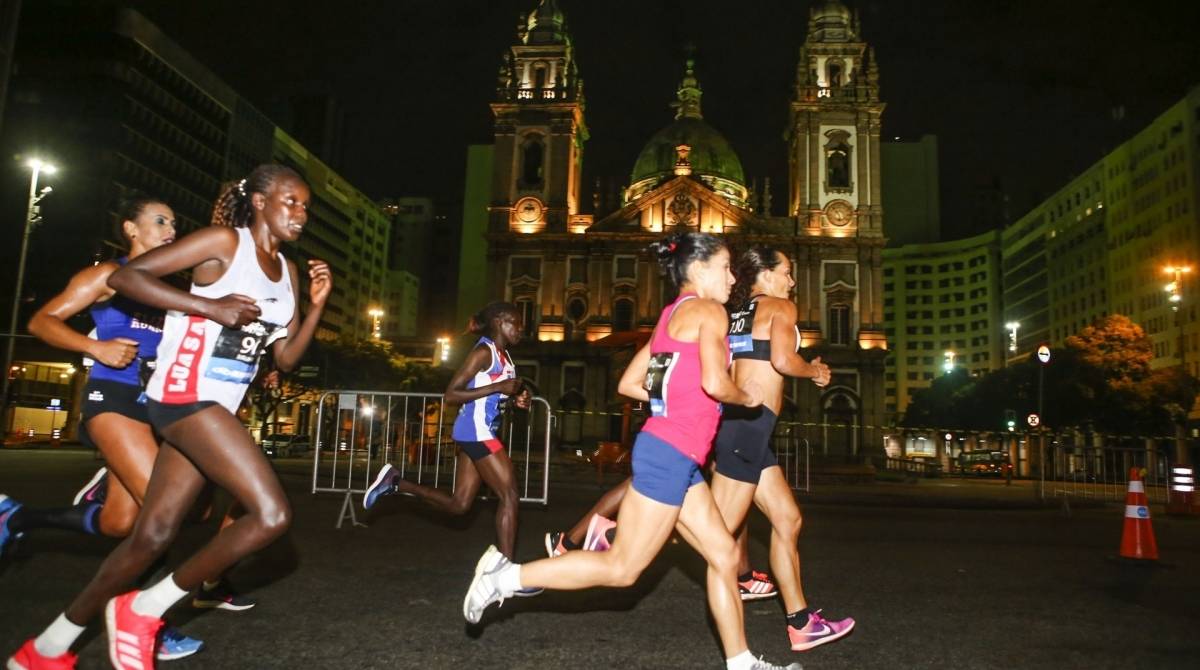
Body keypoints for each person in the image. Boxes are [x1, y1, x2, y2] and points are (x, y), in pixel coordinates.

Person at [6, 164, 330, 670]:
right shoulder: (225, 242)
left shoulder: (287, 272)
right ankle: (145, 609)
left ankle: (43, 649)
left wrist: (314, 309)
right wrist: (212, 308)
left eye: (307, 206)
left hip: (215, 408)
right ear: (262, 201)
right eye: (291, 201)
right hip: (183, 395)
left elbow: (285, 359)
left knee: (149, 537)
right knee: (271, 515)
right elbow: (125, 277)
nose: (301, 214)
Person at [462, 232, 800, 670]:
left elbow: (629, 383)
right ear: (698, 270)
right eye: (724, 267)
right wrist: (747, 397)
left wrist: (678, 404)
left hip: (674, 452)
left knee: (722, 555)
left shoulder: (671, 315)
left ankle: (742, 663)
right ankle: (505, 578)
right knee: (622, 569)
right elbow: (716, 384)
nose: (732, 277)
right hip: (672, 453)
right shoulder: (709, 312)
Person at [0, 194, 211, 661]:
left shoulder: (171, 286)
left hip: (153, 408)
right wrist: (94, 348)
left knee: (121, 522)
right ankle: (149, 619)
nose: (169, 229)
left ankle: (17, 517)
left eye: (173, 223)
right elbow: (42, 321)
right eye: (158, 221)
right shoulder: (106, 275)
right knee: (165, 510)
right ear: (131, 230)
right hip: (111, 399)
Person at [710, 245, 853, 651]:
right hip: (748, 430)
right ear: (766, 275)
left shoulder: (734, 314)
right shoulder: (780, 308)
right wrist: (816, 371)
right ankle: (619, 537)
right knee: (715, 537)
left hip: (742, 427)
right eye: (787, 273)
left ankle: (801, 621)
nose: (792, 282)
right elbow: (784, 361)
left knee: (787, 520)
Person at [362, 302, 532, 565]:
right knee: (509, 495)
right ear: (500, 321)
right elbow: (452, 394)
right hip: (476, 432)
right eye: (517, 323)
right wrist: (499, 386)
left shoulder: (505, 357)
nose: (521, 329)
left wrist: (515, 401)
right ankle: (506, 570)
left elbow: (494, 396)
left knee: (459, 505)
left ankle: (396, 482)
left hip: (480, 431)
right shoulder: (483, 353)